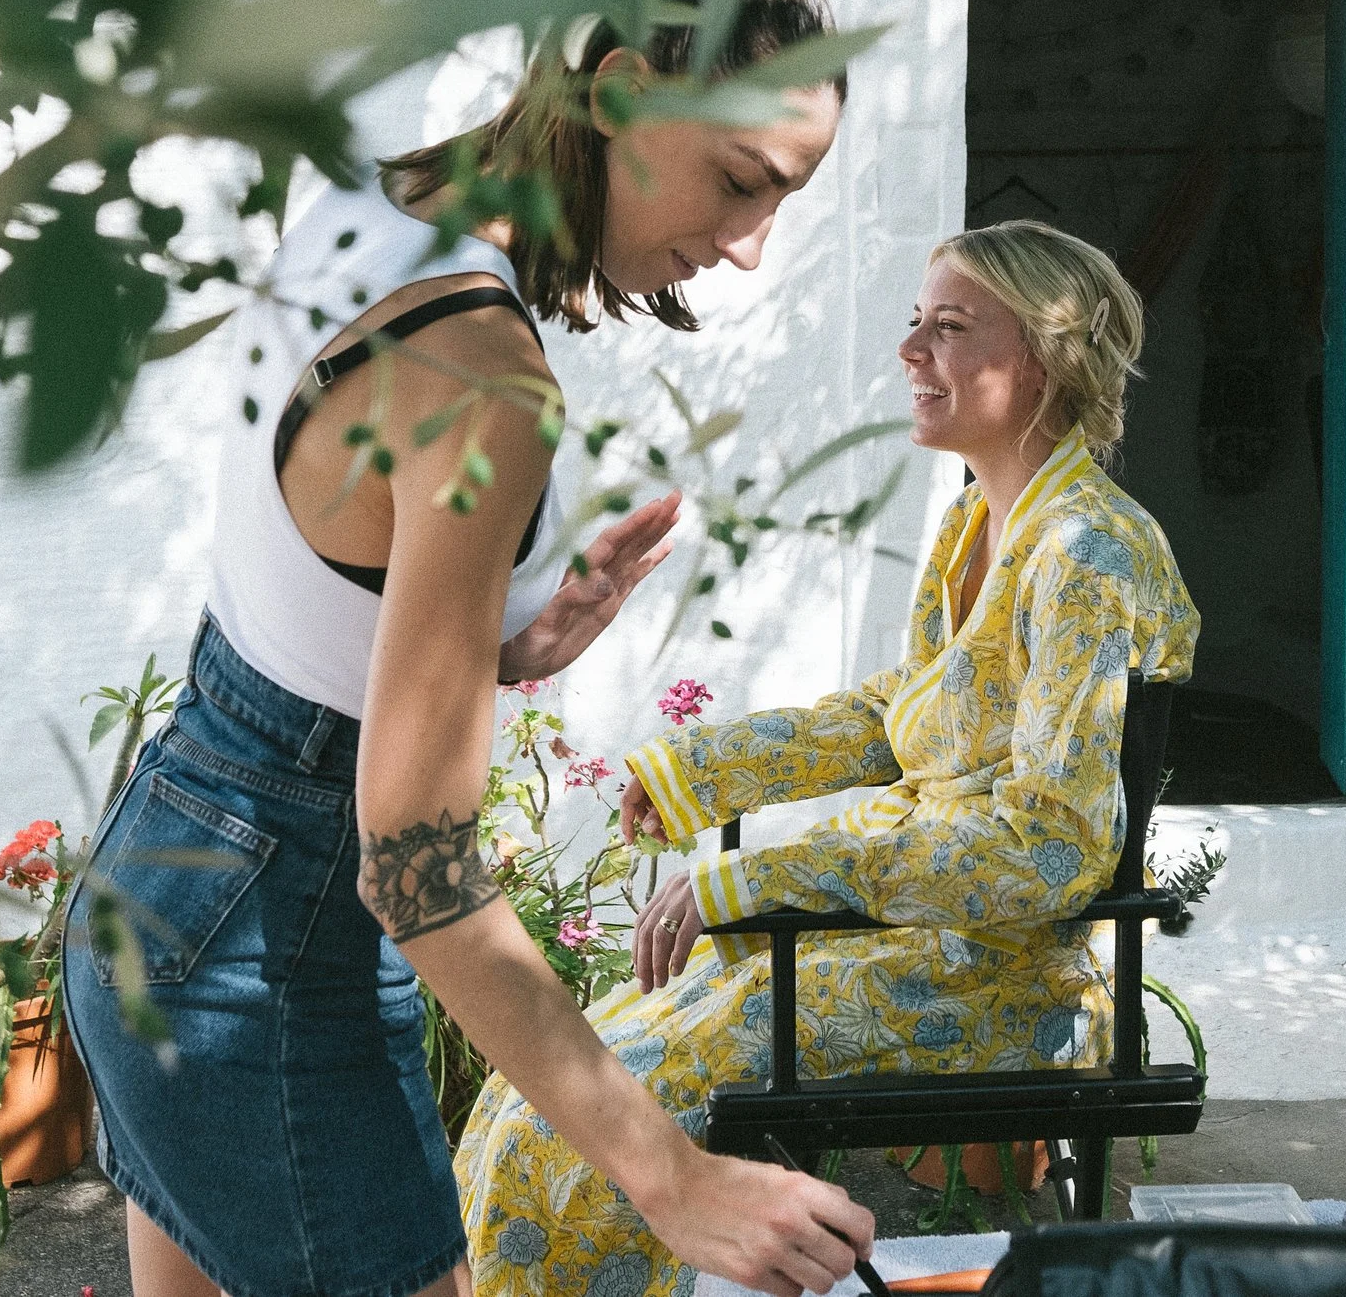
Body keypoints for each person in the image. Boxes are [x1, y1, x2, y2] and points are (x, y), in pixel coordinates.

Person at [58, 0, 878, 1297]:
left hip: (176, 872)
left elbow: (311, 554)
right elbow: (416, 862)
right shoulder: (490, 379)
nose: (751, 246)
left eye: (782, 200)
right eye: (742, 181)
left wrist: (508, 641)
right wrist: (671, 1172)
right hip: (270, 951)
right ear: (621, 91)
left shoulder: (383, 205)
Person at [455, 220, 1200, 1296]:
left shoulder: (1085, 554)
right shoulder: (978, 524)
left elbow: (1053, 845)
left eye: (949, 327)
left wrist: (753, 877)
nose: (910, 352)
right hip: (904, 942)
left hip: (992, 975)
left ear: (1044, 356)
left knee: (574, 1143)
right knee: (545, 1088)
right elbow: (904, 714)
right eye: (914, 323)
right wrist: (692, 771)